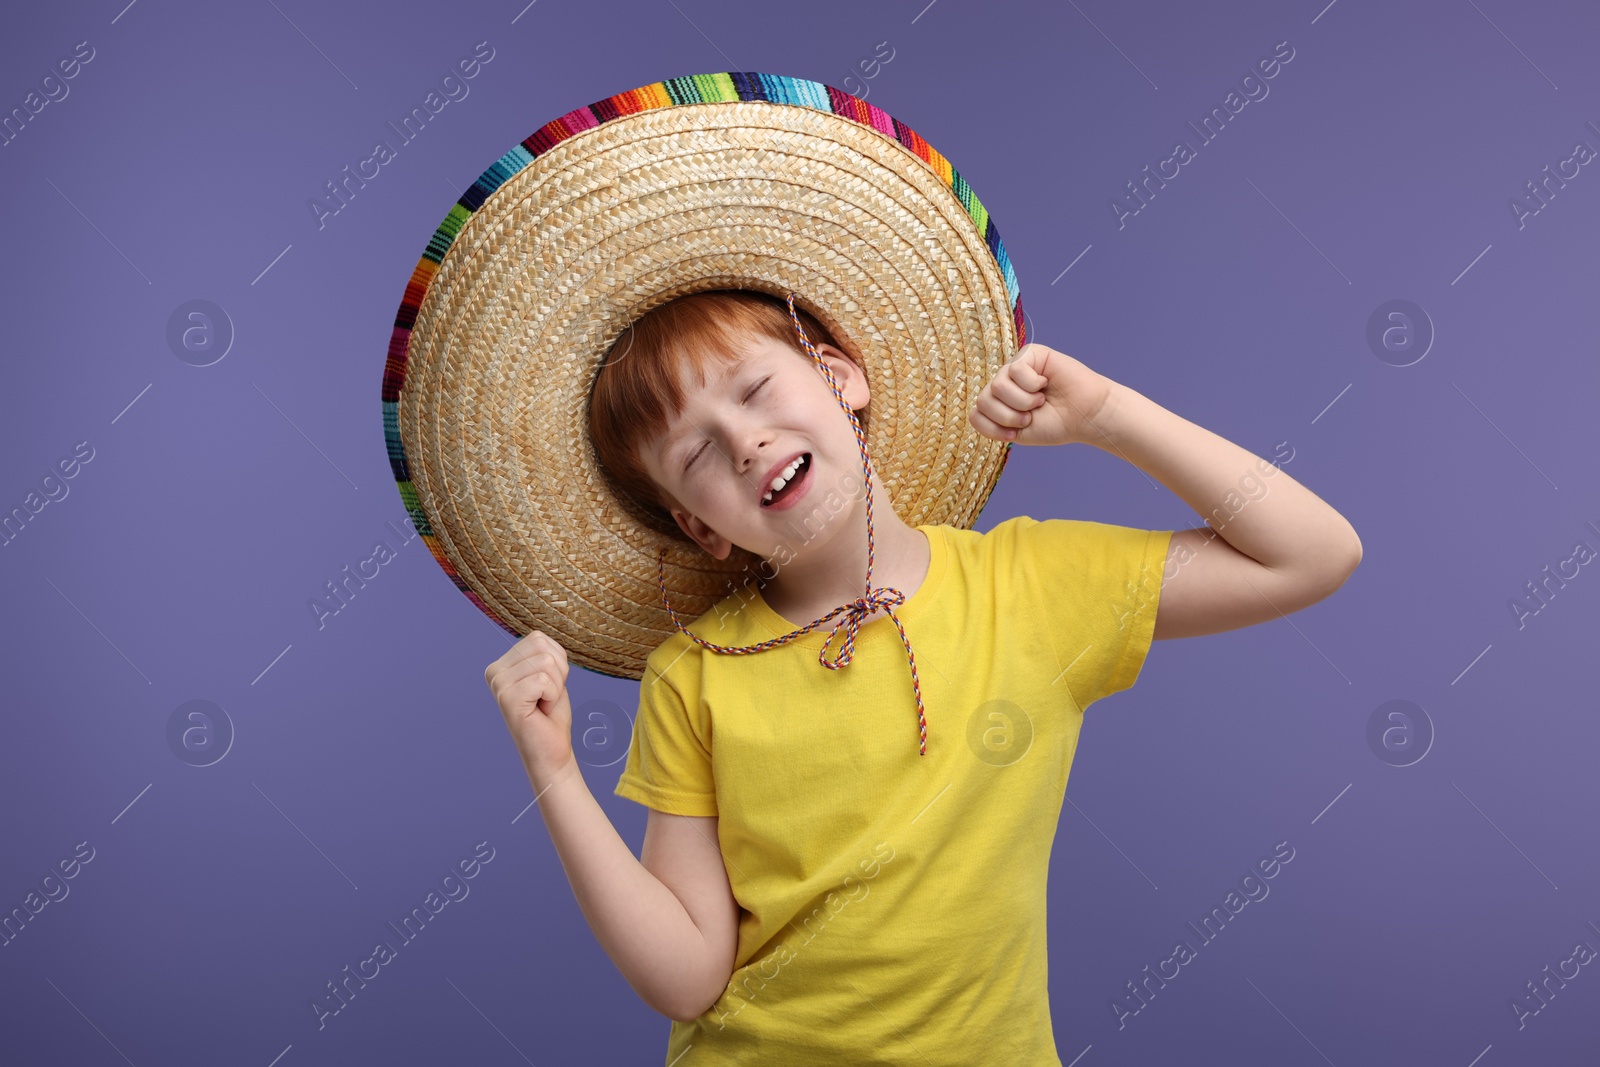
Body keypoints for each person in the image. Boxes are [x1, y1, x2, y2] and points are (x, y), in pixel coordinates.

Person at [484, 284, 1360, 1063]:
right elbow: (684, 978)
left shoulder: (1029, 588)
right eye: (697, 456)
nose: (744, 442)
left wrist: (1107, 417)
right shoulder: (694, 673)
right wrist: (554, 768)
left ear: (840, 376)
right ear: (701, 526)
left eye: (754, 389)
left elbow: (1311, 555)